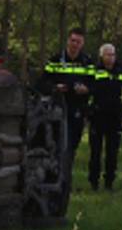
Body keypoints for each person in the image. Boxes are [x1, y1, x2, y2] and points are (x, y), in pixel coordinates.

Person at [37, 27, 95, 167]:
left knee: (72, 144)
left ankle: (66, 173)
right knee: (60, 144)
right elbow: (41, 83)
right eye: (73, 41)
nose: (75, 44)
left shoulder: (88, 62)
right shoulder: (55, 60)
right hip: (58, 107)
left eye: (78, 42)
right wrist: (55, 88)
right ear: (68, 41)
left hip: (78, 108)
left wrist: (86, 89)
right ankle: (58, 171)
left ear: (82, 44)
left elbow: (95, 84)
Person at [88, 43, 122, 191]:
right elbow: (88, 91)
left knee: (112, 151)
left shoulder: (121, 70)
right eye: (108, 54)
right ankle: (94, 181)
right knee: (95, 151)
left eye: (113, 54)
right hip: (97, 114)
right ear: (102, 56)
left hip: (115, 115)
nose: (111, 58)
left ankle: (109, 182)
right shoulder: (94, 71)